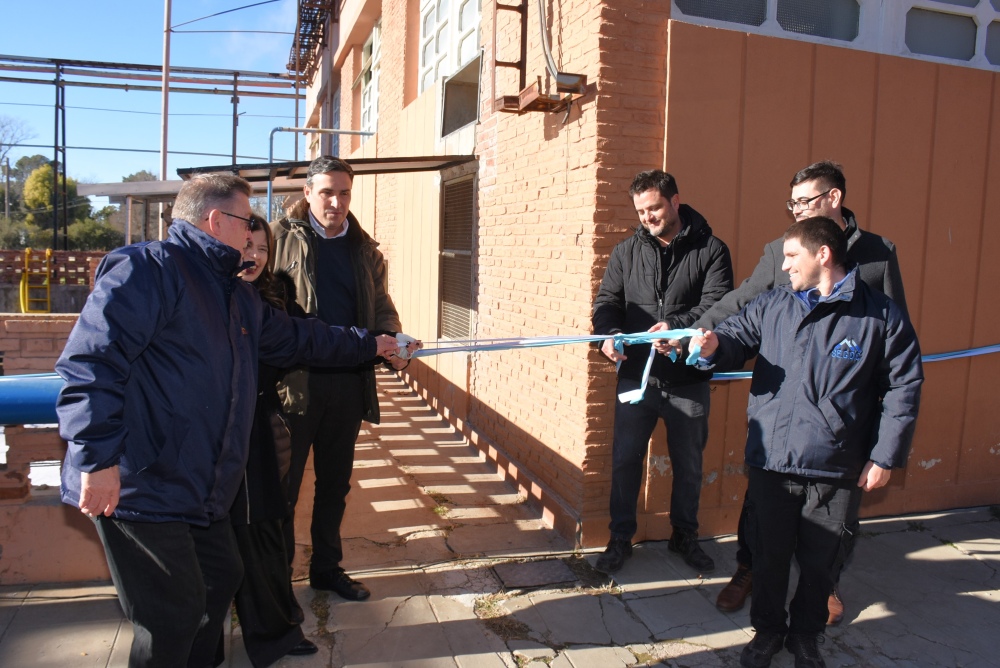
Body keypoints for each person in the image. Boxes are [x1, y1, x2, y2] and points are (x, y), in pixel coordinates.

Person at [56, 173, 412, 668]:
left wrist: (370, 343)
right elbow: (91, 366)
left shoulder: (235, 292)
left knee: (220, 578)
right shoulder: (148, 270)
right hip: (140, 484)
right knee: (171, 615)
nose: (252, 234)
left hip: (199, 488)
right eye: (246, 223)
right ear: (216, 220)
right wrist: (96, 460)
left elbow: (300, 337)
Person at [692, 216, 922, 668]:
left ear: (824, 255)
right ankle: (767, 633)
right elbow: (736, 337)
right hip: (772, 460)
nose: (783, 265)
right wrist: (712, 345)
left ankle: (805, 636)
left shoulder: (879, 315)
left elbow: (904, 385)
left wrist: (884, 455)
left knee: (821, 564)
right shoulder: (775, 304)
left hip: (836, 466)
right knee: (769, 556)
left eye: (792, 255)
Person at [271, 156, 409, 601]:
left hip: (348, 385)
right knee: (284, 490)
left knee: (335, 484)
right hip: (295, 384)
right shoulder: (278, 241)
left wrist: (393, 343)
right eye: (327, 191)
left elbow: (381, 308)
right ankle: (275, 582)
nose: (336, 201)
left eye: (344, 192)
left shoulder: (365, 250)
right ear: (307, 193)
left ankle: (326, 569)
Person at [591, 169, 733, 575]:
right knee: (625, 461)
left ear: (675, 201)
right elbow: (607, 303)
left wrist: (676, 327)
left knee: (689, 463)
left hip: (687, 380)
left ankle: (683, 535)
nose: (647, 217)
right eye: (640, 211)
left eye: (654, 207)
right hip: (636, 377)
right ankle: (620, 538)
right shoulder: (625, 252)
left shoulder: (711, 250)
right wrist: (609, 335)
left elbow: (718, 305)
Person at [230, 215, 317, 665]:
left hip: (265, 431)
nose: (255, 257)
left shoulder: (274, 297)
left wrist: (372, 343)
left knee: (269, 530)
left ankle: (276, 628)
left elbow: (310, 339)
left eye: (263, 248)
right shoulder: (210, 295)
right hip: (217, 438)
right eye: (247, 246)